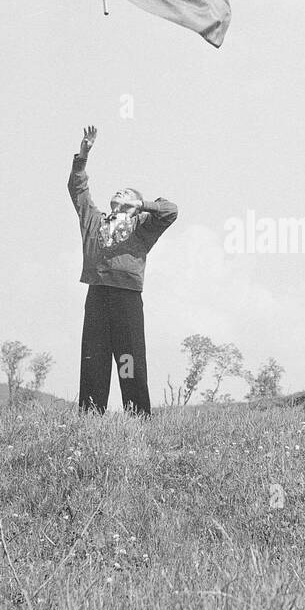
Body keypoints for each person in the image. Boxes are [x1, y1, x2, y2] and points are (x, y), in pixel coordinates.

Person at [68, 125, 177, 415]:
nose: (120, 191)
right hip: (97, 294)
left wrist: (141, 204)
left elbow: (171, 211)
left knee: (128, 357)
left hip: (127, 298)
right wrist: (83, 155)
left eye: (126, 192)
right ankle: (91, 416)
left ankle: (138, 416)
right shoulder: (95, 220)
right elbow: (77, 189)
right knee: (95, 357)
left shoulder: (143, 226)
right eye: (118, 191)